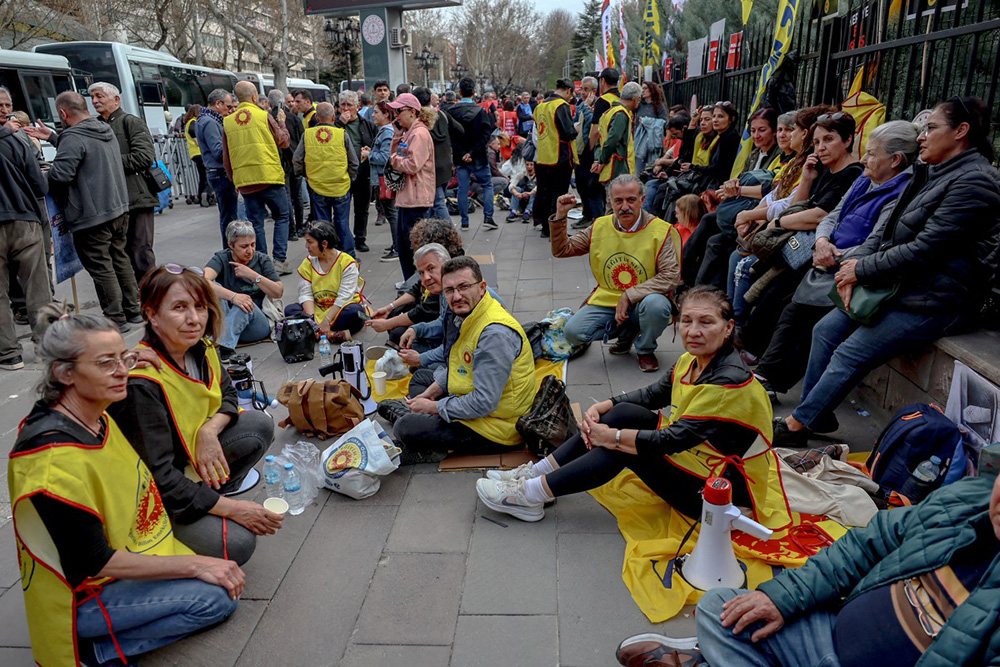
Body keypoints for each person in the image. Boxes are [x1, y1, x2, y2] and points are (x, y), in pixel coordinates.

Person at [9, 306, 243, 666]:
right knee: (216, 598)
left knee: (227, 565)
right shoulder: (52, 461)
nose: (124, 372)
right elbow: (95, 561)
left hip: (127, 554)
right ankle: (97, 653)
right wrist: (196, 565)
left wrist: (125, 357)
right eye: (107, 363)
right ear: (64, 373)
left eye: (125, 358)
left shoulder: (88, 408)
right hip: (85, 595)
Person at [775, 96, 1000, 444]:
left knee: (851, 352)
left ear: (961, 132)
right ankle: (813, 415)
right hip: (898, 284)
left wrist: (862, 271)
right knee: (825, 330)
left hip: (939, 298)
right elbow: (884, 233)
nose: (921, 137)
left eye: (931, 128)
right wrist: (852, 268)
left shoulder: (976, 182)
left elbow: (926, 249)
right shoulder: (928, 171)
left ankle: (796, 425)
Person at [476, 287, 790, 526]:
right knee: (623, 415)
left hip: (725, 491)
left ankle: (531, 496)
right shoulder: (692, 360)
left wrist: (609, 438)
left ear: (728, 327)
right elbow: (654, 394)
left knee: (622, 447)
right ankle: (535, 474)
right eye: (687, 321)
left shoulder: (728, 382)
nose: (694, 331)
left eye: (706, 322)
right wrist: (605, 406)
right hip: (705, 460)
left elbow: (672, 440)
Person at [652, 472, 1000, 666]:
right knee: (718, 609)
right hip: (828, 633)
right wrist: (784, 598)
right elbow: (868, 543)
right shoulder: (970, 500)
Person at [108, 265, 280, 565]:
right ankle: (185, 524)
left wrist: (209, 431)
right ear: (151, 314)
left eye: (200, 306)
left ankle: (211, 501)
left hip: (188, 467)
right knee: (239, 545)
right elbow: (160, 479)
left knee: (258, 425)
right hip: (156, 498)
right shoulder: (141, 382)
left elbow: (228, 395)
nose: (194, 318)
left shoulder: (200, 347)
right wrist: (232, 509)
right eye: (179, 307)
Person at [753, 120, 918, 400]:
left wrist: (832, 256)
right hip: (825, 256)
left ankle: (773, 382)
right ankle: (766, 376)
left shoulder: (900, 193)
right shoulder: (864, 179)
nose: (864, 158)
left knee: (804, 315)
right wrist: (821, 242)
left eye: (872, 153)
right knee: (788, 306)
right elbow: (832, 215)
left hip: (849, 268)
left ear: (896, 159)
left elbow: (876, 242)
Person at [731, 111, 863, 354]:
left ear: (847, 140)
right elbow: (799, 205)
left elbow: (820, 215)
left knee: (773, 293)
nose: (821, 147)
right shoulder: (824, 171)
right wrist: (806, 179)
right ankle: (740, 333)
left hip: (816, 250)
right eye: (816, 142)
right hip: (797, 243)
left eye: (829, 140)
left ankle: (749, 346)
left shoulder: (852, 174)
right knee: (748, 268)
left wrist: (780, 223)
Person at [390, 256, 535, 461]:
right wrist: (433, 392)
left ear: (482, 287)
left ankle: (425, 433)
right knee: (423, 378)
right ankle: (424, 421)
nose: (456, 296)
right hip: (477, 399)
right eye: (449, 290)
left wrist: (435, 407)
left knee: (404, 427)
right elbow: (464, 364)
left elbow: (484, 402)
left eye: (464, 287)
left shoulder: (494, 334)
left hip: (498, 427)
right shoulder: (471, 313)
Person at [550, 175, 681, 373]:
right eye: (618, 200)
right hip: (608, 300)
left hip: (646, 299)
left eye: (631, 200)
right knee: (573, 332)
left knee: (656, 306)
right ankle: (627, 332)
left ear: (642, 200)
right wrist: (560, 216)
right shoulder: (600, 226)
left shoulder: (661, 231)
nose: (624, 206)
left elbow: (671, 276)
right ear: (610, 200)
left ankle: (645, 349)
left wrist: (630, 294)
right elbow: (562, 250)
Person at [35, 92, 141, 333]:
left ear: (63, 113)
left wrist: (42, 176)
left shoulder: (73, 136)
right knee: (119, 259)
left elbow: (62, 174)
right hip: (117, 208)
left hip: (92, 214)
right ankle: (132, 311)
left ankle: (116, 318)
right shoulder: (102, 129)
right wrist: (54, 136)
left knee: (102, 266)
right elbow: (85, 150)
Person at [78, 82, 159, 285]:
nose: (95, 101)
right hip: (110, 202)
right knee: (119, 254)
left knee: (140, 252)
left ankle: (153, 295)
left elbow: (144, 157)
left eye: (99, 96)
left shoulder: (130, 122)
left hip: (136, 199)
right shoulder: (95, 125)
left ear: (116, 99)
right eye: (93, 97)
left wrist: (107, 162)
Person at [0, 86, 50, 370]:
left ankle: (8, 354)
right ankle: (45, 347)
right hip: (25, 221)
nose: (6, 109)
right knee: (37, 286)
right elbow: (40, 185)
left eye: (7, 104)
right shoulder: (19, 142)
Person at [223, 80, 292, 274]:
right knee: (282, 216)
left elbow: (226, 156)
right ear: (255, 97)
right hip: (269, 176)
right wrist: (281, 122)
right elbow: (283, 141)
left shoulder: (228, 121)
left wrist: (234, 179)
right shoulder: (264, 116)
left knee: (256, 223)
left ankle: (262, 261)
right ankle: (280, 259)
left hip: (246, 180)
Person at [204, 220, 284, 360]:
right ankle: (222, 335)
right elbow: (203, 281)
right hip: (228, 318)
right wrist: (234, 296)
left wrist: (252, 275)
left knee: (246, 303)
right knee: (214, 286)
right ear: (231, 245)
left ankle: (225, 346)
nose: (250, 250)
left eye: (253, 245)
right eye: (244, 246)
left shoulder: (262, 260)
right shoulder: (222, 258)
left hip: (257, 323)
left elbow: (278, 291)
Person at [293, 101, 359, 257]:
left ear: (316, 117)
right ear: (333, 116)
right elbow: (354, 161)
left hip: (317, 186)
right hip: (340, 186)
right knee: (342, 223)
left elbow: (297, 160)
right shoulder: (342, 134)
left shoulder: (307, 135)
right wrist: (350, 177)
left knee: (322, 224)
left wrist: (305, 175)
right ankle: (349, 255)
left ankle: (326, 254)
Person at [289, 221, 368, 339]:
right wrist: (313, 322)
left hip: (340, 310)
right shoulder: (308, 263)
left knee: (355, 312)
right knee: (291, 310)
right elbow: (305, 294)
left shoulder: (347, 263)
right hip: (318, 309)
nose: (307, 246)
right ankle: (331, 335)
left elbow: (344, 296)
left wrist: (326, 321)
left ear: (324, 243)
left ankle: (314, 334)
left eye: (310, 242)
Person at [388, 93, 437, 279]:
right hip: (408, 198)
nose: (396, 116)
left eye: (399, 111)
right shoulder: (410, 132)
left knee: (413, 249)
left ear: (412, 111)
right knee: (405, 247)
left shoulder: (419, 133)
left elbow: (412, 164)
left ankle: (415, 286)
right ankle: (411, 284)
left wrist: (393, 160)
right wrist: (396, 137)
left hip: (416, 199)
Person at [367, 241, 450, 347]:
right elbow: (415, 290)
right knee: (394, 316)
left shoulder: (450, 293)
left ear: (446, 265)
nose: (426, 277)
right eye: (421, 273)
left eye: (431, 269)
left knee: (399, 335)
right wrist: (389, 307)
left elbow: (422, 313)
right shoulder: (439, 285)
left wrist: (421, 358)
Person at [533, 79, 579, 238]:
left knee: (545, 193)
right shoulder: (561, 106)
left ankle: (546, 229)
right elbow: (568, 132)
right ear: (568, 90)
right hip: (560, 156)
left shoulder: (540, 106)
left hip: (543, 156)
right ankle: (557, 231)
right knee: (559, 195)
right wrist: (576, 129)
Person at [450, 77, 497, 230]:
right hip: (479, 157)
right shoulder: (480, 112)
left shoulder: (450, 112)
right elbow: (485, 135)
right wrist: (472, 152)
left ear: (460, 92)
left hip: (460, 157)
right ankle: (488, 217)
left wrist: (463, 153)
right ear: (474, 93)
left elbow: (450, 137)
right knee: (487, 185)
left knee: (463, 188)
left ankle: (464, 221)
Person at [195, 89, 239, 248]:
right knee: (229, 217)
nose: (230, 110)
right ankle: (229, 252)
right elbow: (218, 151)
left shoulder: (208, 119)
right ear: (218, 103)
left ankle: (230, 250)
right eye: (228, 107)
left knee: (229, 215)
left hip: (218, 172)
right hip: (220, 173)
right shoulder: (210, 122)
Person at [335, 90, 376, 253]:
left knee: (362, 207)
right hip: (341, 172)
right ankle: (341, 238)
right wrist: (340, 123)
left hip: (362, 171)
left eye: (349, 105)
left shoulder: (366, 124)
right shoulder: (335, 124)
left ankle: (360, 238)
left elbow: (374, 144)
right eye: (343, 105)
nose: (346, 108)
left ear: (357, 107)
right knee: (340, 208)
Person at [414, 85, 456, 222]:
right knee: (434, 202)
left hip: (432, 167)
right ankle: (432, 231)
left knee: (438, 203)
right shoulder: (442, 115)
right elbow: (460, 130)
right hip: (446, 164)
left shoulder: (419, 122)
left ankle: (451, 233)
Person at [268, 88, 305, 241]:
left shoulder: (268, 119)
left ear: (270, 103)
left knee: (287, 196)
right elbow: (302, 139)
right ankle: (300, 226)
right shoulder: (294, 118)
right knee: (298, 196)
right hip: (294, 160)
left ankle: (291, 230)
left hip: (279, 162)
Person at [592, 80, 639, 189]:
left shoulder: (608, 113)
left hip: (608, 169)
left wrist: (598, 159)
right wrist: (601, 161)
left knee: (610, 200)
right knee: (617, 201)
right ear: (636, 99)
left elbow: (600, 140)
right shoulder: (621, 114)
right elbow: (613, 140)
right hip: (618, 168)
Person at [369, 100, 400, 262]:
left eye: (376, 112)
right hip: (383, 177)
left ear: (386, 114)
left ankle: (397, 246)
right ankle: (397, 243)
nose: (373, 115)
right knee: (390, 212)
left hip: (384, 178)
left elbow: (385, 157)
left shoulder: (387, 132)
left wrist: (369, 155)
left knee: (392, 213)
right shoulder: (385, 131)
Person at [573, 75, 602, 228]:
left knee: (590, 186)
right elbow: (575, 121)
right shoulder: (581, 104)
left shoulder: (597, 104)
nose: (582, 93)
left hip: (590, 151)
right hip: (579, 150)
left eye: (586, 90)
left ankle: (592, 216)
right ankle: (586, 213)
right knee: (580, 185)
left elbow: (594, 122)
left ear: (594, 91)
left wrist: (585, 106)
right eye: (581, 89)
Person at [183, 104, 209, 207]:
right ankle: (206, 193)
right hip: (199, 152)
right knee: (207, 175)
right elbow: (196, 139)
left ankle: (200, 195)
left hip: (194, 153)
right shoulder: (193, 123)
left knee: (202, 176)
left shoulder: (188, 123)